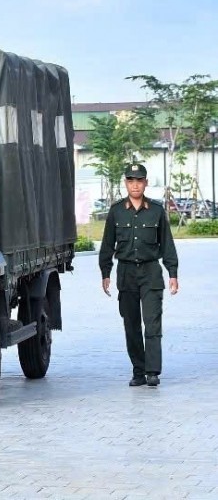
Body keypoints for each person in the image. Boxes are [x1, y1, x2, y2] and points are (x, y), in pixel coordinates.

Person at [99, 163, 179, 388]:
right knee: (131, 324)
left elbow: (167, 243)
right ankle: (138, 371)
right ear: (125, 183)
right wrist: (105, 272)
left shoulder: (156, 210)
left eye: (139, 180)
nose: (135, 185)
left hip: (151, 272)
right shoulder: (116, 211)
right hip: (126, 273)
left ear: (145, 182)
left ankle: (152, 371)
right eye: (131, 180)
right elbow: (107, 245)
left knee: (152, 324)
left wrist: (172, 272)